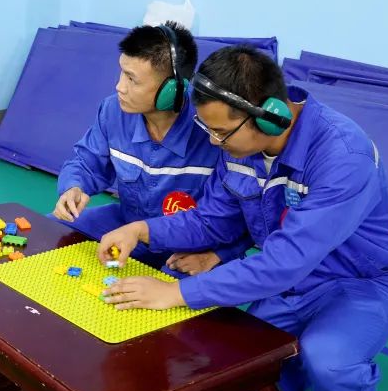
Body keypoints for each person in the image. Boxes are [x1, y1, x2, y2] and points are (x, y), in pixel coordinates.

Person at [98, 45, 388, 391]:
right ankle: (312, 363)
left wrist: (176, 293)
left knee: (328, 357)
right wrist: (141, 230)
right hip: (292, 287)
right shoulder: (240, 149)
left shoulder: (344, 156)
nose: (214, 142)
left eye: (221, 133)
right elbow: (212, 219)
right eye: (209, 130)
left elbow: (283, 263)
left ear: (270, 117)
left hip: (365, 284)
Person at [53, 22, 247, 272]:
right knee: (53, 231)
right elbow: (86, 162)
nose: (119, 87)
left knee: (169, 292)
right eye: (122, 72)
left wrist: (217, 254)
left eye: (132, 79)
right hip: (128, 224)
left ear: (171, 90)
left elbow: (244, 207)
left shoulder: (214, 127)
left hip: (193, 242)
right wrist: (74, 187)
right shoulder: (112, 110)